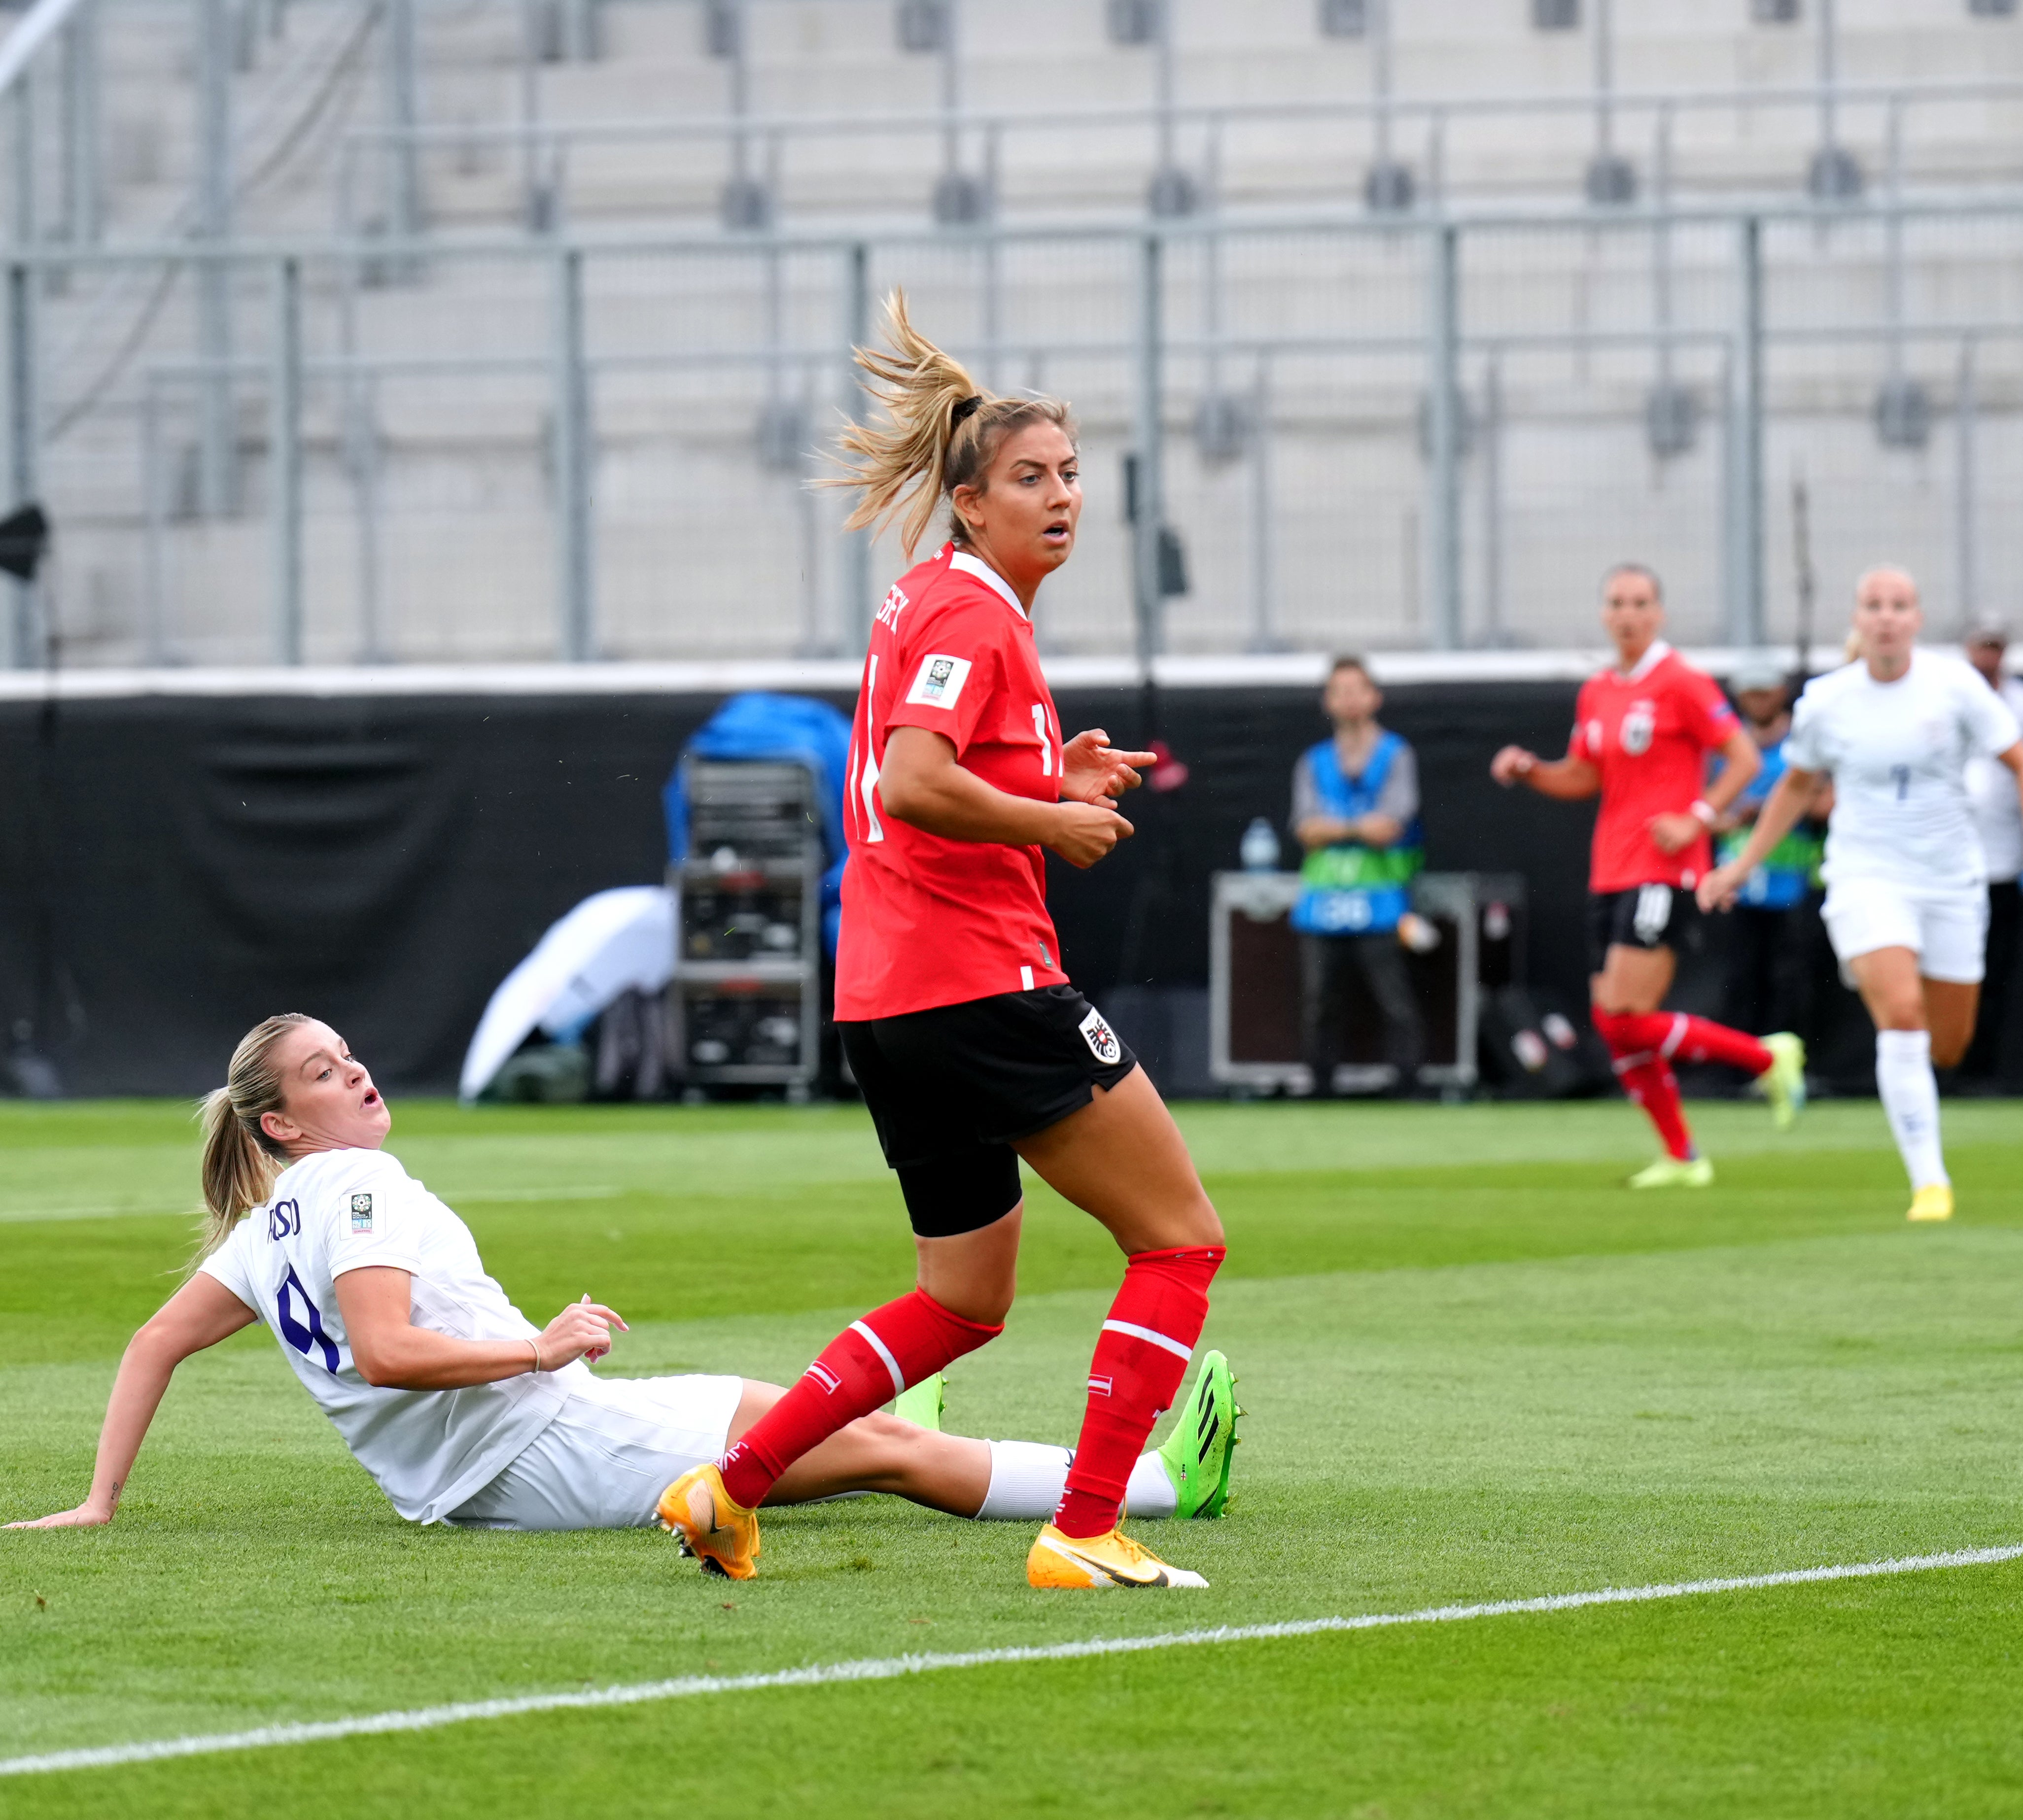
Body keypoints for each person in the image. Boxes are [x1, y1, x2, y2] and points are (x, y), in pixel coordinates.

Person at [658, 294, 1231, 1591]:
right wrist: (1048, 813)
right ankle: (1084, 1525)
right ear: (969, 502)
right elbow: (915, 782)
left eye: (1072, 473)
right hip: (978, 984)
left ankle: (730, 1485)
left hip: (887, 999)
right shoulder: (973, 612)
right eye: (1030, 476)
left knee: (964, 1299)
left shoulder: (936, 600)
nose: (1061, 494)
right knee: (1179, 1237)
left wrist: (1050, 764)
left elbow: (926, 767)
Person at [4, 1016, 1234, 1537]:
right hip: (538, 1448)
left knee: (804, 1416)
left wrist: (103, 1498)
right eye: (326, 1074)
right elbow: (389, 1353)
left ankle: (896, 1418)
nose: (359, 1074)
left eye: (351, 1055)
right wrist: (538, 1346)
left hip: (512, 1455)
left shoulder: (268, 1220)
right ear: (279, 1124)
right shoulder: (351, 1189)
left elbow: (154, 1341)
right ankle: (1160, 1485)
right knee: (884, 1458)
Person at [1701, 566, 2023, 1222]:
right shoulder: (1826, 700)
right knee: (1900, 1014)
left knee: (1947, 1045)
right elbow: (1795, 786)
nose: (1886, 617)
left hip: (1950, 882)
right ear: (1857, 620)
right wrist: (1740, 865)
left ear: (1916, 619)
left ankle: (1889, 990)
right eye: (1873, 605)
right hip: (1865, 875)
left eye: (1898, 605)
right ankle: (1930, 1183)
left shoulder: (1955, 686)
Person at [1490, 563, 1807, 1187]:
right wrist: (1530, 770)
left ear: (1658, 613)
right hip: (1610, 870)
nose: (1628, 614)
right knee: (1613, 1023)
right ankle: (1683, 1157)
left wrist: (1697, 817)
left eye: (1640, 603)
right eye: (1616, 603)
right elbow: (1583, 776)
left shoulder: (1681, 682)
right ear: (1604, 614)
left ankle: (1767, 1056)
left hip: (1662, 872)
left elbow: (1744, 757)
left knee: (1629, 1015)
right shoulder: (1598, 691)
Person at [1291, 655, 1429, 1099]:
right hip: (1323, 898)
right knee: (1319, 1002)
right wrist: (1358, 828)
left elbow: (1393, 825)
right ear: (1327, 701)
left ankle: (1406, 1082)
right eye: (1340, 690)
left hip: (1381, 896)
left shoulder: (1396, 754)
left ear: (1375, 697)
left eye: (1357, 688)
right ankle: (1320, 1084)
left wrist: (1333, 829)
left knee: (1394, 997)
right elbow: (1304, 829)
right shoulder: (1313, 761)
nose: (1349, 699)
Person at [1703, 661, 1829, 1056]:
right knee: (1741, 977)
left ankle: (1789, 1062)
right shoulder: (1723, 752)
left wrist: (1771, 810)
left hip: (1793, 885)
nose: (1760, 701)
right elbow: (1704, 812)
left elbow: (1825, 801)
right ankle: (1741, 1063)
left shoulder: (1802, 745)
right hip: (1738, 888)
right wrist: (1730, 818)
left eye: (1767, 691)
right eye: (1751, 693)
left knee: (1791, 978)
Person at [1956, 619, 2023, 1088]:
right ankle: (1945, 1066)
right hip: (1950, 863)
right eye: (1981, 645)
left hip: (2003, 860)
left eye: (1996, 646)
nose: (1987, 656)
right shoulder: (1944, 695)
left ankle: (1983, 1070)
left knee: (1994, 971)